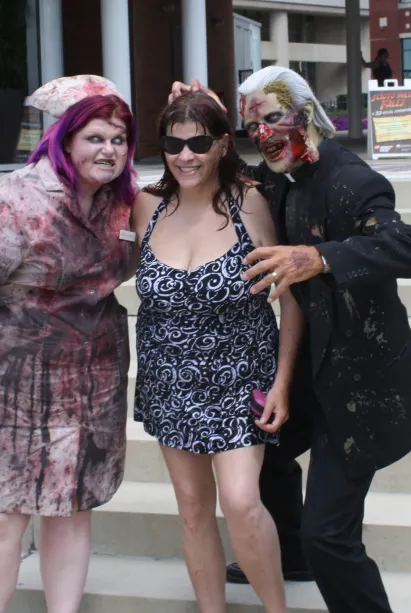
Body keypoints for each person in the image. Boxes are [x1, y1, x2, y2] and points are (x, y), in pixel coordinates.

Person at [170, 66, 411, 613]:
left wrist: (319, 257)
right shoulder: (283, 174)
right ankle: (290, 553)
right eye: (253, 126)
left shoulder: (350, 179)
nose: (263, 134)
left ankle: (325, 567)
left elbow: (409, 249)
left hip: (359, 385)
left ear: (308, 113)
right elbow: (229, 170)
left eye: (273, 117)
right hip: (304, 367)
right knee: (262, 448)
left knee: (330, 534)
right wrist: (207, 119)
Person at [0, 75, 137, 613]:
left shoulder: (126, 205)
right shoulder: (10, 200)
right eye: (95, 138)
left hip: (92, 383)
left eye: (119, 139)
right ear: (65, 140)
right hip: (8, 385)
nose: (109, 150)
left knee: (72, 507)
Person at [130, 91, 306, 613]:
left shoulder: (248, 203)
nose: (185, 156)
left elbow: (290, 301)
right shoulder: (145, 205)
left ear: (222, 145)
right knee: (191, 508)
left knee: (242, 501)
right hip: (169, 381)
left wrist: (282, 382)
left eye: (199, 143)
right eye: (173, 144)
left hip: (239, 376)